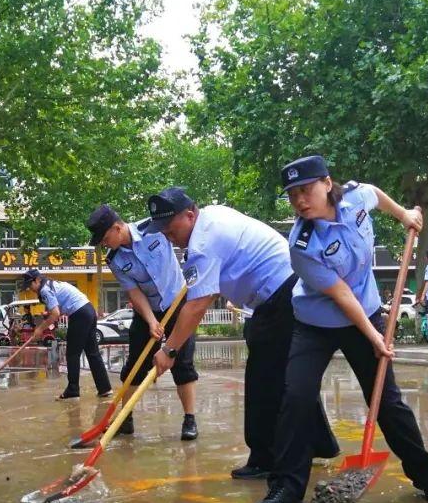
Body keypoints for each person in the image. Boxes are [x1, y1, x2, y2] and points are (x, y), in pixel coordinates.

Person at [255, 154, 428, 503]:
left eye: (305, 189)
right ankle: (286, 489)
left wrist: (404, 215)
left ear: (327, 183)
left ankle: (426, 476)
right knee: (296, 398)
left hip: (366, 311)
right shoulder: (302, 245)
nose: (299, 200)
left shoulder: (356, 199)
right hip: (315, 323)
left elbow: (375, 193)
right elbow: (342, 295)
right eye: (292, 194)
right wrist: (374, 337)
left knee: (388, 401)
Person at [144, 187, 338, 480]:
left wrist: (169, 350)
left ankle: (265, 458)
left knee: (263, 380)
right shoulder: (213, 215)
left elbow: (197, 305)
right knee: (286, 376)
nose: (170, 238)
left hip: (282, 295)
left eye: (172, 230)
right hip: (284, 292)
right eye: (165, 234)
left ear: (189, 214)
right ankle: (319, 445)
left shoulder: (203, 244)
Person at [86, 204, 199, 440]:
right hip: (148, 309)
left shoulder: (154, 228)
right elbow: (134, 292)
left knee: (182, 363)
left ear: (117, 228)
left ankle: (190, 419)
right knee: (135, 366)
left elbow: (183, 237)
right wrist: (150, 321)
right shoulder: (114, 259)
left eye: (106, 238)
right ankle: (125, 419)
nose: (105, 244)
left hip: (178, 303)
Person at [21, 269, 112, 400]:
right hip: (89, 310)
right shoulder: (51, 284)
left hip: (80, 314)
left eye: (30, 285)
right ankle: (105, 388)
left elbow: (56, 313)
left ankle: (73, 390)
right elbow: (59, 308)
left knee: (72, 353)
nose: (30, 289)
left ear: (37, 280)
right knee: (92, 352)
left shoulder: (45, 290)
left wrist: (40, 329)